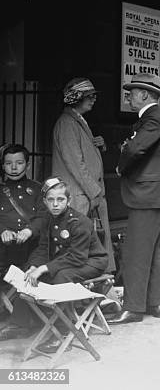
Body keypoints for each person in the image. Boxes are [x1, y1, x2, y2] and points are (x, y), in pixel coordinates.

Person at [0, 177, 108, 351]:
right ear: (44, 201)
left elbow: (77, 257)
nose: (55, 204)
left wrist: (44, 268)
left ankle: (63, 333)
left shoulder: (78, 222)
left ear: (69, 200)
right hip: (68, 259)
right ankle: (20, 324)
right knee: (28, 272)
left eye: (60, 200)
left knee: (61, 276)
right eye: (51, 200)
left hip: (91, 261)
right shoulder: (48, 220)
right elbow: (44, 248)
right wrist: (35, 266)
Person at [108, 73, 160, 325]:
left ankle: (134, 308)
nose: (128, 96)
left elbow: (136, 149)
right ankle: (154, 303)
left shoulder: (152, 119)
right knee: (156, 251)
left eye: (132, 92)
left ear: (145, 94)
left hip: (148, 196)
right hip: (157, 195)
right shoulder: (156, 119)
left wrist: (121, 165)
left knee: (136, 251)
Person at [51, 77, 114, 272]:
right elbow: (76, 164)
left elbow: (81, 157)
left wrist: (98, 147)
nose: (93, 99)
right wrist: (94, 192)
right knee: (80, 250)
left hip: (84, 196)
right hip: (80, 197)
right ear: (76, 98)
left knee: (89, 248)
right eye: (89, 96)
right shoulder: (67, 124)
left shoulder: (76, 121)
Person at [0, 144, 44, 277]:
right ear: (3, 166)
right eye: (8, 163)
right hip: (2, 251)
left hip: (31, 249)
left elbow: (44, 216)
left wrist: (29, 230)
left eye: (19, 163)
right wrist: (2, 230)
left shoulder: (38, 189)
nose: (13, 168)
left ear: (28, 165)